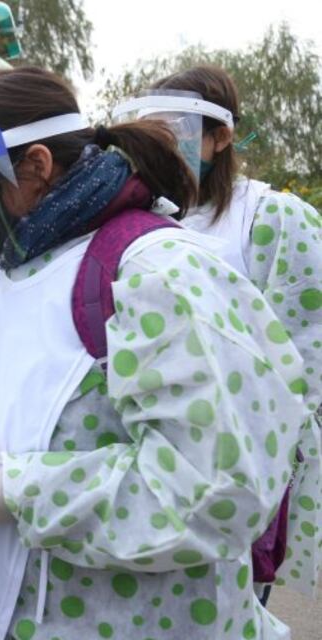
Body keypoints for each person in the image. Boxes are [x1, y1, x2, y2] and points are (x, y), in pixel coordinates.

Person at [0, 67, 310, 640]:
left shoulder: (158, 274)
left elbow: (215, 487)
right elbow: (4, 398)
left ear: (35, 166)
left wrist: (21, 492)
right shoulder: (26, 268)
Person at [127, 65, 320, 601]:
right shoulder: (142, 215)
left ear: (220, 137)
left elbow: (307, 353)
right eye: (151, 129)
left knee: (233, 607)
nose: (162, 145)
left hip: (242, 473)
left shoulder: (267, 219)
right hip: (158, 468)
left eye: (177, 130)